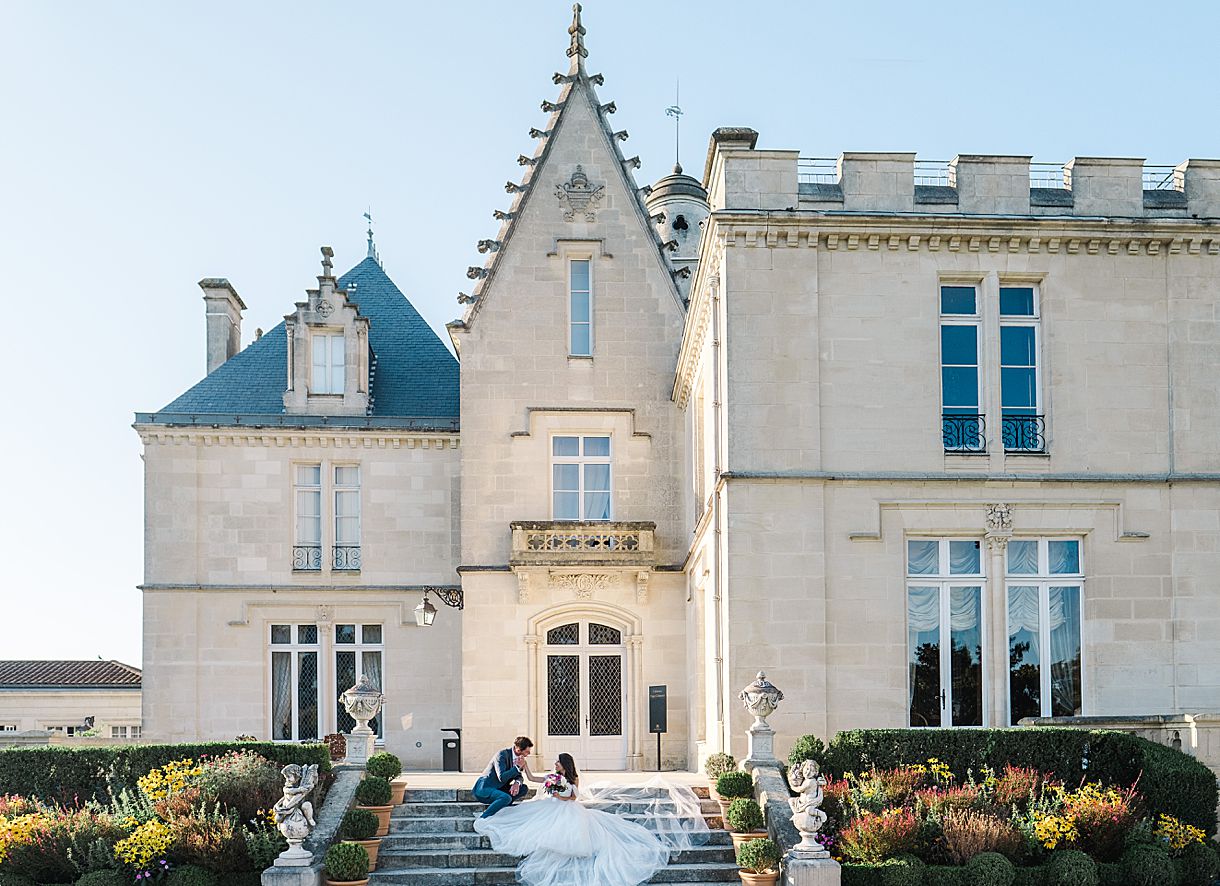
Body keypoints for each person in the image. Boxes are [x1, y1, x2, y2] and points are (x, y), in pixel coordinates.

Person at [473, 752, 708, 886]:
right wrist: (525, 767)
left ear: (564, 765)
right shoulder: (554, 776)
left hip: (566, 808)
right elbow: (534, 779)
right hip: (551, 807)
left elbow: (573, 798)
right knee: (526, 820)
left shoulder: (572, 779)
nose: (554, 764)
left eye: (557, 762)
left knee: (568, 830)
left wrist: (559, 793)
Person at [473, 735, 544, 818]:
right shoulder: (502, 755)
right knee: (506, 798)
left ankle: (502, 808)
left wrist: (517, 783)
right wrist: (517, 767)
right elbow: (502, 777)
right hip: (485, 788)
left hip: (500, 788)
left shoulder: (519, 758)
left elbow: (519, 776)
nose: (528, 754)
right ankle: (483, 817)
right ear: (518, 750)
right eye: (527, 752)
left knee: (523, 788)